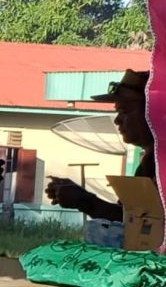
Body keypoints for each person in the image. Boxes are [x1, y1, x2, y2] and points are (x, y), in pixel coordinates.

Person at [47, 69, 154, 220]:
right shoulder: (150, 163)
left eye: (124, 111)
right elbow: (130, 216)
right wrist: (81, 198)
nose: (117, 120)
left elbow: (141, 221)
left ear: (154, 113)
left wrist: (84, 201)